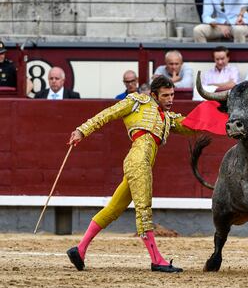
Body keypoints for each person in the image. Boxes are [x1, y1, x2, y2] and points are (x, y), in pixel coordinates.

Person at [66, 76, 196, 273]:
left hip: (140, 163)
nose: (170, 99)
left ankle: (80, 249)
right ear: (153, 95)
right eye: (165, 95)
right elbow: (107, 114)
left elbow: (192, 125)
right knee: (144, 208)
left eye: (172, 95)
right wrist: (82, 131)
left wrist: (220, 115)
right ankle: (156, 260)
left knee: (113, 209)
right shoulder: (137, 101)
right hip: (138, 161)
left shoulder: (168, 118)